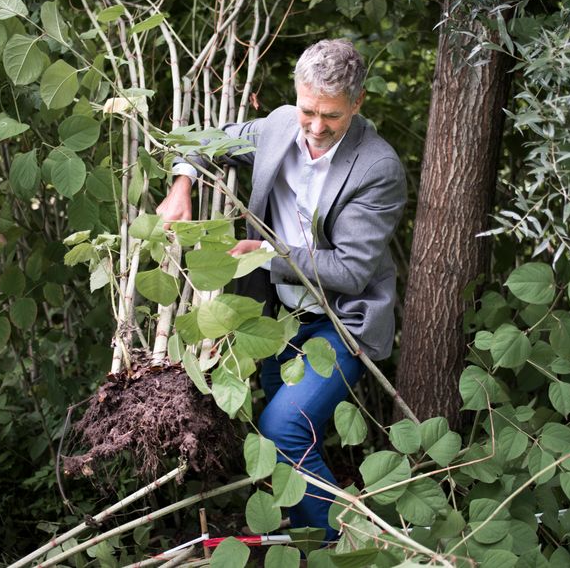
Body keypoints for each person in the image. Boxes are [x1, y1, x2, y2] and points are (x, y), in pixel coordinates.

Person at [156, 39, 406, 539]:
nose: (315, 127)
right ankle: (315, 535)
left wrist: (269, 253)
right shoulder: (276, 126)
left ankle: (336, 546)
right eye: (308, 110)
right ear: (297, 95)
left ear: (357, 104)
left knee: (281, 431)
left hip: (342, 321)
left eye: (331, 116)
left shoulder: (377, 167)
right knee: (291, 436)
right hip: (278, 321)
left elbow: (352, 270)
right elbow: (211, 139)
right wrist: (181, 182)